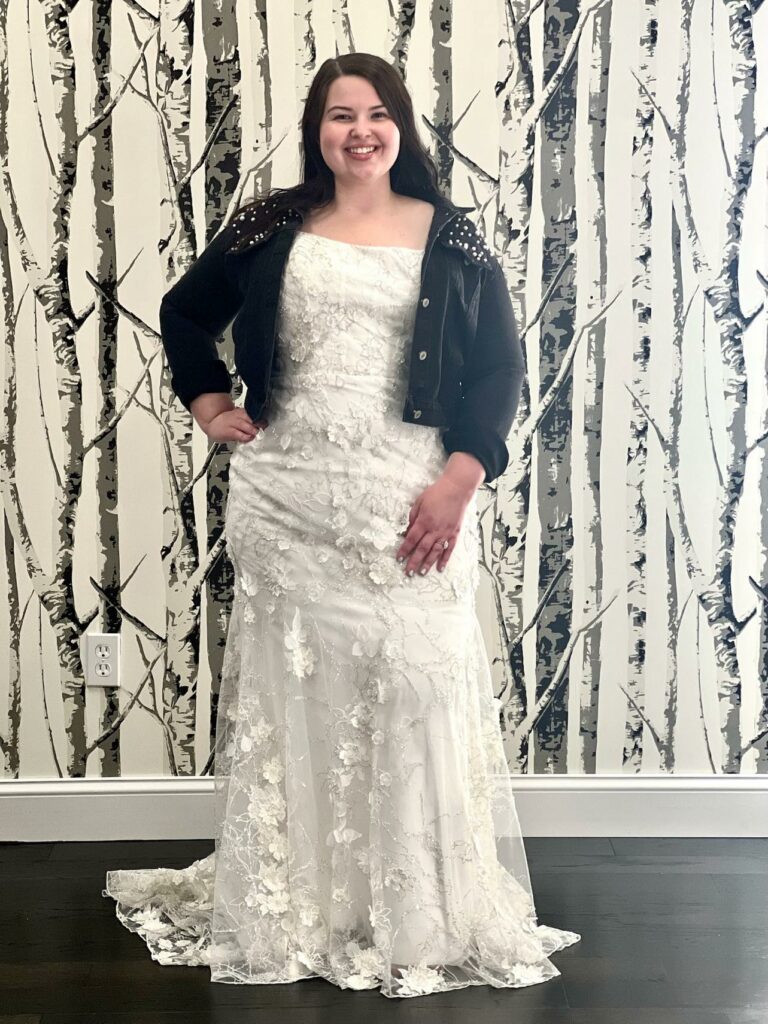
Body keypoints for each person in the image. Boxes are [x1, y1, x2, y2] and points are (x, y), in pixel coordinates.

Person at [102, 51, 580, 1000]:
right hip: (288, 495)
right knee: (297, 696)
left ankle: (415, 908)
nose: (357, 130)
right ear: (316, 130)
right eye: (336, 115)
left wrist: (461, 477)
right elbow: (184, 311)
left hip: (408, 494)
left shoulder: (453, 236)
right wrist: (207, 401)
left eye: (375, 114)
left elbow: (498, 369)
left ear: (401, 126)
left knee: (415, 681)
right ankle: (300, 903)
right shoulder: (275, 223)